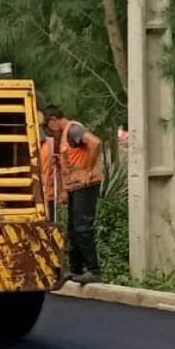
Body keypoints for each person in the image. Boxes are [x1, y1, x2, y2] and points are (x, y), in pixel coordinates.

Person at [43, 105, 103, 284]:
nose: (49, 130)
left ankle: (93, 270)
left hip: (85, 185)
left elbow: (95, 143)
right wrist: (64, 189)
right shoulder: (64, 136)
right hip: (75, 187)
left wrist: (88, 170)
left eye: (48, 125)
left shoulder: (73, 130)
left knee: (83, 227)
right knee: (73, 228)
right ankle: (76, 269)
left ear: (53, 120)